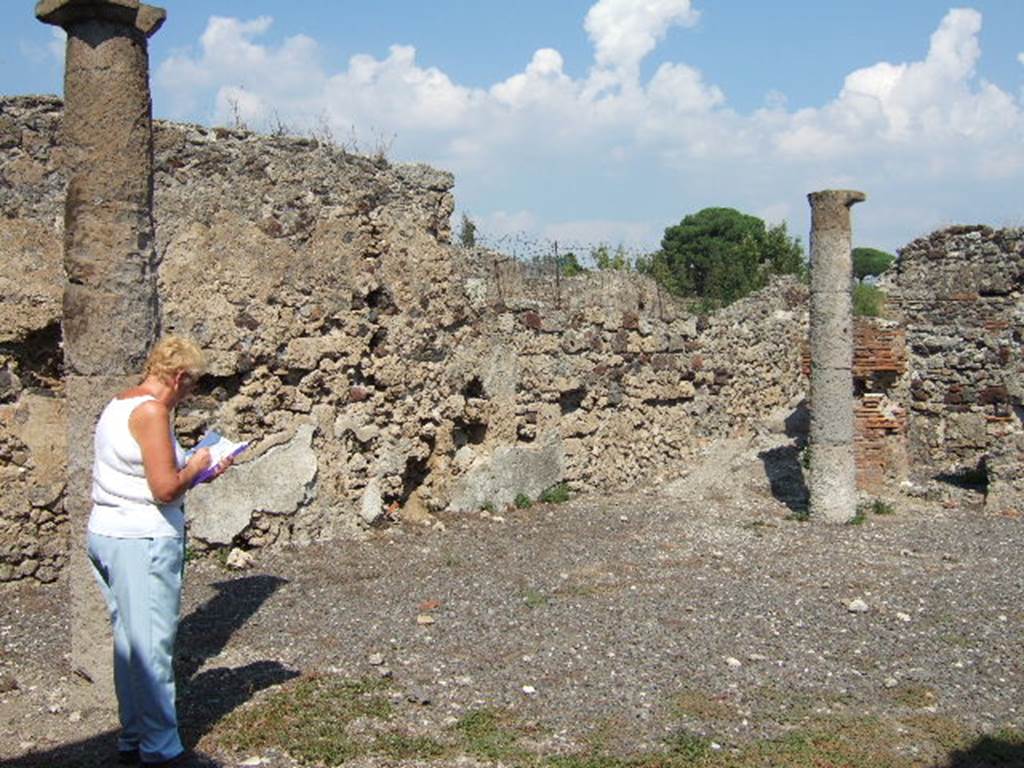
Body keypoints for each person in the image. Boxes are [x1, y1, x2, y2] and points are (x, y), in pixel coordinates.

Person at [86, 336, 233, 767]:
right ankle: (162, 750)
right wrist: (196, 466)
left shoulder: (119, 404)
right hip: (141, 540)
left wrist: (200, 470)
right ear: (180, 377)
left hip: (109, 533)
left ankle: (134, 735)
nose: (190, 395)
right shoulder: (152, 412)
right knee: (151, 647)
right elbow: (165, 487)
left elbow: (143, 469)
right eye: (192, 386)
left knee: (129, 643)